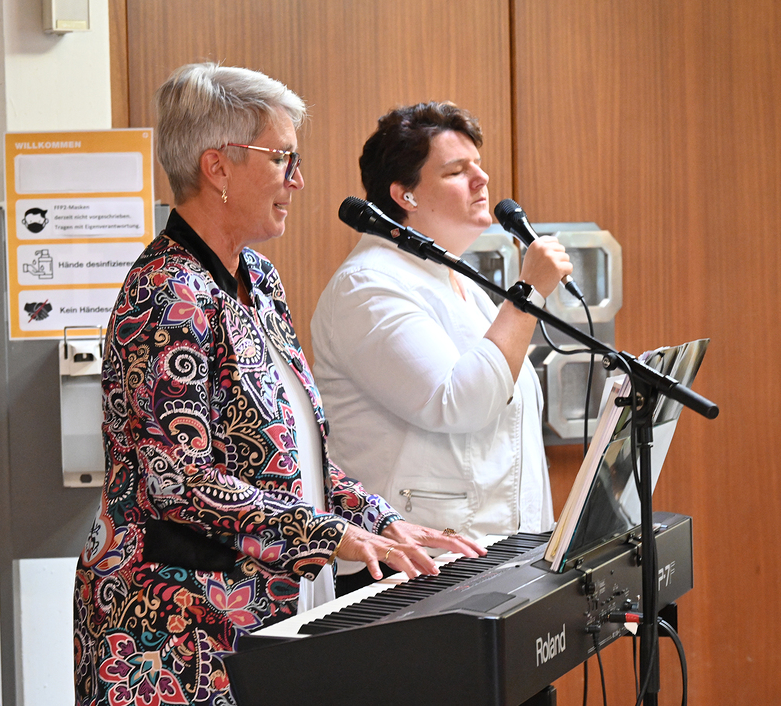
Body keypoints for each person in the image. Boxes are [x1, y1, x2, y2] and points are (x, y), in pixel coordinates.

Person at [72, 65, 483, 706]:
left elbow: (293, 459)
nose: (298, 180)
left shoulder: (258, 280)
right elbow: (179, 480)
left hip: (262, 616)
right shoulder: (165, 293)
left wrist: (383, 521)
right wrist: (332, 536)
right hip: (171, 634)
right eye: (282, 159)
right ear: (218, 167)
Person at [311, 102, 573, 594]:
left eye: (478, 164)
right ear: (404, 194)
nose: (482, 179)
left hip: (491, 557)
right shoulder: (367, 286)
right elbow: (459, 402)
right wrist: (527, 295)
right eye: (456, 170)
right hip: (409, 569)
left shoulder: (458, 280)